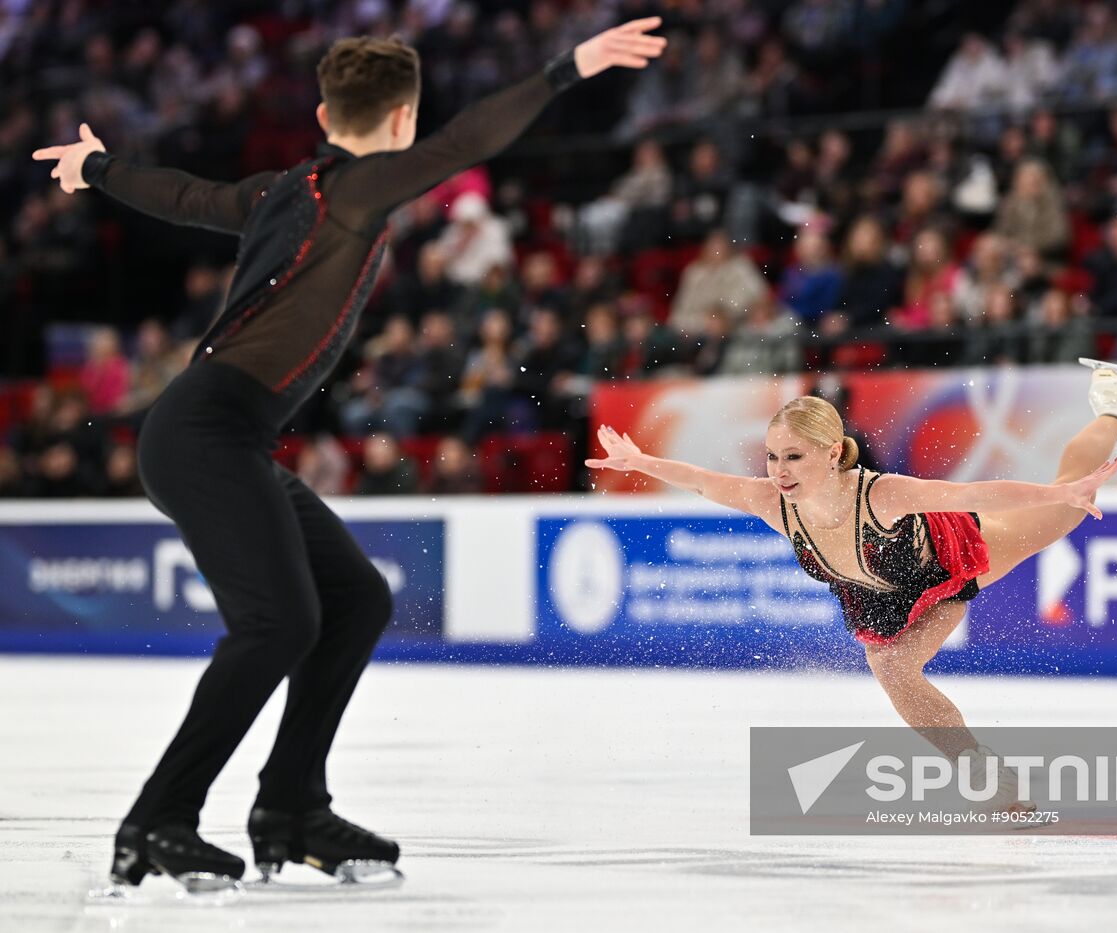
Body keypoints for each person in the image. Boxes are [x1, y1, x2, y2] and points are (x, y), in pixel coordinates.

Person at [35, 18, 667, 893]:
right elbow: (467, 139)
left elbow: (184, 194)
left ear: (327, 112)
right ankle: (158, 820)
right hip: (206, 430)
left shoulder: (282, 189)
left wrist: (99, 168)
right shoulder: (360, 192)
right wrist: (568, 69)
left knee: (355, 598)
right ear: (400, 122)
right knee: (279, 624)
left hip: (219, 432)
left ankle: (290, 806)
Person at [585, 361, 1117, 813]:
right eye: (771, 457)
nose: (779, 471)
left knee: (1066, 511)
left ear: (829, 453)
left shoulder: (880, 493)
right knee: (894, 670)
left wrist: (1056, 496)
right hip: (878, 593)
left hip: (945, 563)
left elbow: (969, 495)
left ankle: (1114, 403)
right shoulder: (775, 504)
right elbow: (703, 481)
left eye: (792, 457)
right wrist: (640, 462)